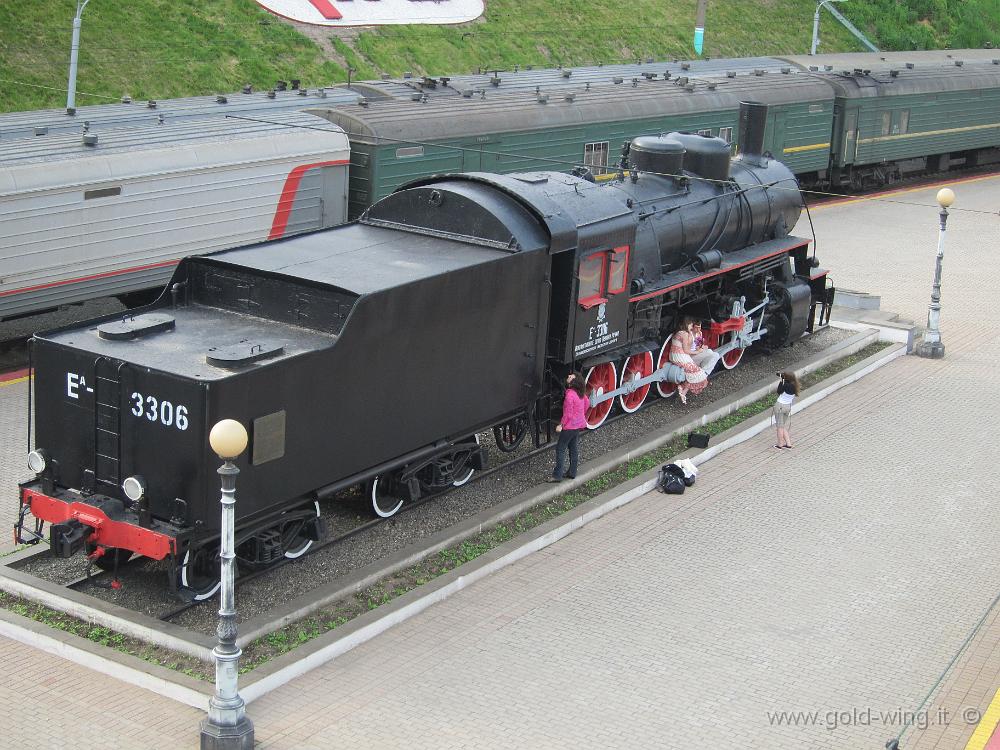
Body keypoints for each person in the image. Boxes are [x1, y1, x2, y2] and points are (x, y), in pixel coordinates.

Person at [549, 372, 587, 482]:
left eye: (571, 377)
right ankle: (572, 472)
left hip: (569, 427)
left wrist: (561, 425)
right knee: (573, 449)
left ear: (574, 382)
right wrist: (580, 415)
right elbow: (587, 403)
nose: (568, 377)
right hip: (578, 426)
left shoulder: (570, 395)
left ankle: (557, 475)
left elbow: (568, 414)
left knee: (560, 449)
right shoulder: (581, 393)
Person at [669, 318, 709, 404]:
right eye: (690, 324)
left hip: (674, 355)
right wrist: (698, 351)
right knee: (698, 372)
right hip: (681, 356)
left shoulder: (678, 332)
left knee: (692, 372)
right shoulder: (685, 334)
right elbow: (686, 350)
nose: (691, 326)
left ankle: (683, 392)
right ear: (686, 324)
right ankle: (681, 387)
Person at [774, 371, 800, 449]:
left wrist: (781, 381)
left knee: (779, 427)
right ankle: (788, 443)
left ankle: (780, 445)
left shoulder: (785, 384)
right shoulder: (795, 385)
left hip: (780, 406)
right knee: (782, 425)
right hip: (788, 407)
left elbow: (779, 391)